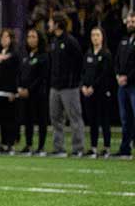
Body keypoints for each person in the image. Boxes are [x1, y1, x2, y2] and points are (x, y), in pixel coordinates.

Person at [47, 12, 84, 157]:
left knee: (74, 118)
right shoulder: (53, 41)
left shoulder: (70, 41)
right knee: (55, 119)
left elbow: (79, 62)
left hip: (69, 87)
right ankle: (58, 148)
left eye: (50, 22)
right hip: (55, 87)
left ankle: (78, 148)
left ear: (57, 24)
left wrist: (74, 81)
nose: (48, 25)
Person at [81, 26, 112, 158]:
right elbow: (83, 72)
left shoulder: (106, 54)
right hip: (88, 93)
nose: (95, 37)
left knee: (104, 120)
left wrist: (93, 86)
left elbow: (105, 74)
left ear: (102, 37)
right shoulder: (88, 53)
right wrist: (83, 86)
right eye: (93, 35)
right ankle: (93, 147)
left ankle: (106, 147)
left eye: (97, 35)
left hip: (102, 92)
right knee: (92, 121)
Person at [18, 28, 49, 156]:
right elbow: (20, 74)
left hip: (39, 93)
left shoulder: (44, 56)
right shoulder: (25, 56)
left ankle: (41, 146)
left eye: (33, 37)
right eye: (29, 37)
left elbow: (42, 77)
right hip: (24, 94)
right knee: (27, 119)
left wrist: (29, 89)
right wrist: (20, 88)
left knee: (41, 119)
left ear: (39, 39)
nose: (31, 39)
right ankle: (29, 144)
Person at [0, 29, 20, 154]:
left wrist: (15, 91)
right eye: (2, 37)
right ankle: (3, 142)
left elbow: (16, 72)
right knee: (1, 119)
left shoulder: (15, 54)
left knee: (10, 119)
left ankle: (11, 143)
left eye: (6, 37)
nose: (4, 39)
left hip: (9, 91)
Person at [115, 11, 135, 160]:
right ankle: (125, 148)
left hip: (133, 84)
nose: (130, 24)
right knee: (125, 118)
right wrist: (117, 75)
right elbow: (117, 60)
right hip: (122, 86)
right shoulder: (123, 40)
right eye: (128, 22)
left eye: (133, 22)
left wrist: (127, 77)